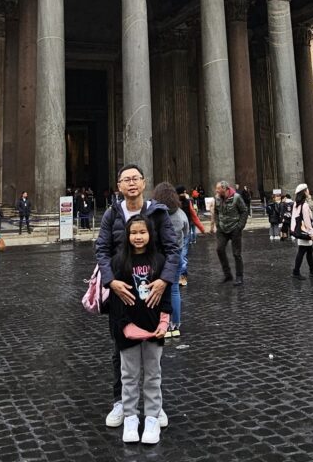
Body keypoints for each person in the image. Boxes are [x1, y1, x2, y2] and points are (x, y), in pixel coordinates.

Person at [95, 164, 178, 431]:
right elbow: (102, 249)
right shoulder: (111, 214)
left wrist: (164, 280)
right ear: (119, 186)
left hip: (152, 292)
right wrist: (111, 282)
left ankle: (155, 405)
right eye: (125, 180)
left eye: (135, 179)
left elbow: (172, 249)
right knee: (121, 348)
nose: (131, 183)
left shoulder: (157, 213)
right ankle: (121, 401)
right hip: (123, 293)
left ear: (144, 183)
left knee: (153, 350)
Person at [109, 215, 170, 445]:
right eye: (133, 233)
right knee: (129, 376)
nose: (138, 237)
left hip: (153, 327)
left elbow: (166, 294)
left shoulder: (160, 261)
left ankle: (152, 417)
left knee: (153, 375)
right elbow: (115, 300)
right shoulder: (118, 262)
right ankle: (131, 417)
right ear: (127, 235)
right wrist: (124, 325)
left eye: (142, 232)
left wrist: (165, 321)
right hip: (129, 330)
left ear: (150, 235)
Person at [155, 183, 187, 337]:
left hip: (161, 256)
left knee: (159, 290)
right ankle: (175, 325)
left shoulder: (157, 213)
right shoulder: (181, 213)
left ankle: (163, 325)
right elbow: (187, 232)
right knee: (174, 290)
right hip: (177, 254)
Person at [214, 180, 249, 285]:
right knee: (219, 249)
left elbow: (244, 211)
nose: (216, 190)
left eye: (218, 188)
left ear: (224, 189)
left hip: (235, 228)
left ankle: (239, 277)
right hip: (222, 229)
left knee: (236, 253)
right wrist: (217, 224)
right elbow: (216, 211)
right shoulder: (217, 198)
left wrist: (240, 226)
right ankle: (227, 275)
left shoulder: (236, 197)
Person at [290, 184, 313, 279]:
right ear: (304, 192)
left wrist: (293, 230)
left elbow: (293, 218)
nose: (308, 191)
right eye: (307, 190)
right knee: (302, 251)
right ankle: (296, 272)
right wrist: (312, 234)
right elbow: (307, 221)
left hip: (300, 231)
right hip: (305, 231)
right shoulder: (304, 205)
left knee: (309, 251)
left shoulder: (296, 204)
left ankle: (312, 270)